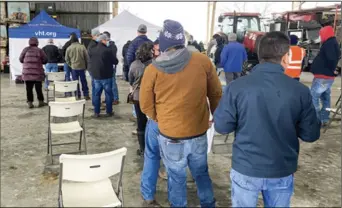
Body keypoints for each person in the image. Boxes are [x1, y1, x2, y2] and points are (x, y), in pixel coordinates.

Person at [213, 31, 321, 207]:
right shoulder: (300, 91)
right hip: (281, 168)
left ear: (259, 54)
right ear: (286, 57)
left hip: (246, 167)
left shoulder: (236, 87)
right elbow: (311, 134)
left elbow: (222, 126)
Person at [139, 19, 222, 208]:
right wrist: (214, 116)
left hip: (170, 134)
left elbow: (145, 105)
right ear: (182, 40)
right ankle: (208, 204)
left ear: (163, 42)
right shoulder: (202, 61)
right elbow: (216, 93)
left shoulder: (153, 69)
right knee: (201, 172)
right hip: (198, 131)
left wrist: (161, 118)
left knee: (176, 176)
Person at [140, 39, 167, 207]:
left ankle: (148, 194)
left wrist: (154, 116)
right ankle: (176, 199)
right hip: (173, 121)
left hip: (158, 121)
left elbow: (145, 103)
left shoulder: (151, 69)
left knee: (151, 157)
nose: (156, 54)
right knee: (174, 161)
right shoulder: (185, 68)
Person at [310, 25, 341, 126]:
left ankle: (316, 120)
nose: (320, 36)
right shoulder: (332, 43)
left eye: (321, 33)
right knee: (325, 98)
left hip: (323, 76)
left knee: (313, 97)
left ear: (325, 33)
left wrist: (332, 69)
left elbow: (332, 59)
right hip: (326, 76)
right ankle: (324, 119)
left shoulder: (329, 44)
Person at [126, 24, 153, 134]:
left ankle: (141, 131)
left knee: (139, 111)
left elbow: (128, 56)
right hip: (152, 90)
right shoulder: (151, 43)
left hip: (138, 86)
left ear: (137, 31)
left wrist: (133, 67)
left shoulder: (133, 43)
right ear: (146, 32)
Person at [128, 42, 154, 157]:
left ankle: (143, 149)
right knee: (154, 122)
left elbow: (130, 80)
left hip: (138, 96)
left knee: (140, 122)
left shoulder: (134, 65)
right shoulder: (155, 65)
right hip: (153, 96)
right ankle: (153, 147)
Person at [88, 34, 116, 117]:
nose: (107, 41)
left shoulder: (92, 50)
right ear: (102, 40)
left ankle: (96, 112)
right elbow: (115, 61)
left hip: (96, 76)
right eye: (106, 40)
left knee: (96, 94)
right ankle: (109, 111)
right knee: (108, 94)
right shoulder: (107, 50)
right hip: (107, 75)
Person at [19, 37, 48, 108]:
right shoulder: (40, 50)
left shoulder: (25, 50)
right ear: (37, 43)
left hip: (27, 73)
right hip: (38, 73)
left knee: (29, 89)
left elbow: (20, 59)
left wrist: (26, 63)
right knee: (38, 88)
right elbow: (45, 60)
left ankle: (30, 103)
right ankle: (40, 102)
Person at [65, 34, 90, 100]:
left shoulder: (69, 48)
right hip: (82, 67)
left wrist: (71, 65)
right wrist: (86, 66)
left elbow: (66, 59)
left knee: (75, 82)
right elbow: (87, 58)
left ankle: (77, 95)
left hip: (74, 68)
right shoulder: (82, 47)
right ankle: (86, 95)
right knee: (84, 81)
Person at [103, 31, 119, 105]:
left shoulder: (112, 46)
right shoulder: (105, 45)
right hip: (105, 67)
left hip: (111, 67)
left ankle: (115, 99)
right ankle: (108, 98)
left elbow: (112, 57)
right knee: (106, 84)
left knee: (112, 83)